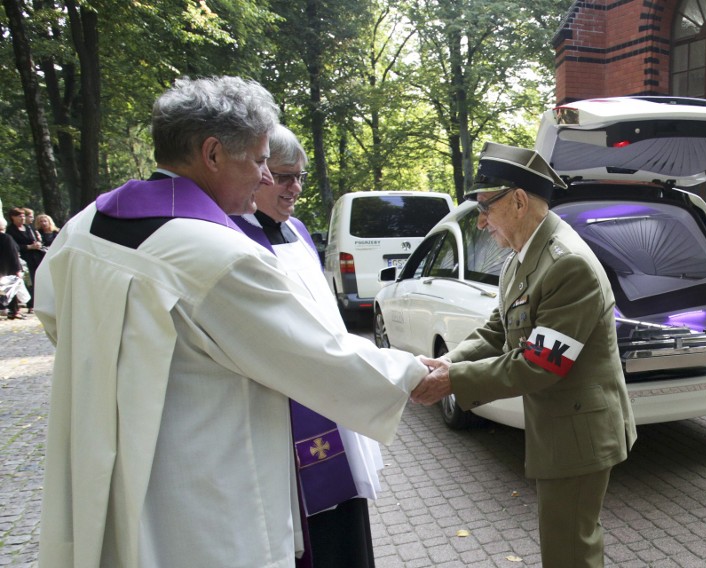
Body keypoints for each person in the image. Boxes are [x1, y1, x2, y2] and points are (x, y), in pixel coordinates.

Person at [34, 76, 428, 568]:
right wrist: (415, 372)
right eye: (261, 160)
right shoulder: (215, 254)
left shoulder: (82, 227)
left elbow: (53, 314)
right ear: (213, 153)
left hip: (109, 463)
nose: (267, 178)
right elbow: (312, 355)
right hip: (202, 491)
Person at [413, 142, 638, 568]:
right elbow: (500, 328)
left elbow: (541, 363)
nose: (480, 222)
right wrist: (451, 362)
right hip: (562, 425)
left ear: (518, 201)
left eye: (485, 207)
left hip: (579, 434)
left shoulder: (566, 264)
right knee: (566, 542)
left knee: (570, 549)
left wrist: (453, 382)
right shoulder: (524, 254)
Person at [232, 124, 381, 568]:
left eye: (299, 177)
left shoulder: (296, 230)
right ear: (258, 176)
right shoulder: (234, 237)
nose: (294, 187)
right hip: (285, 406)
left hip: (331, 394)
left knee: (347, 511)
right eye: (282, 176)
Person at [7, 207, 42, 313]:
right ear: (13, 217)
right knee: (28, 281)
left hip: (35, 257)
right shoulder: (11, 230)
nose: (22, 218)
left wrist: (38, 243)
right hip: (23, 258)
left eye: (23, 216)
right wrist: (29, 247)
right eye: (19, 216)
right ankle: (30, 305)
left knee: (37, 280)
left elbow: (34, 240)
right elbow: (14, 246)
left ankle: (38, 303)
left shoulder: (28, 228)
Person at [0, 216, 29, 320]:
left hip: (4, 268)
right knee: (10, 290)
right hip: (7, 268)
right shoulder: (6, 238)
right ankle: (14, 311)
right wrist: (18, 269)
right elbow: (13, 254)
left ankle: (9, 310)